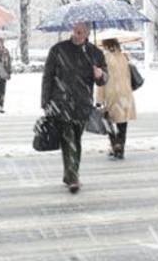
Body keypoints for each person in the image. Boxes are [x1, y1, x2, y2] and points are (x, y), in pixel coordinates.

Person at [41, 22, 108, 193]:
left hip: (82, 103)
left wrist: (100, 75)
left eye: (82, 32)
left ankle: (71, 173)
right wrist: (45, 101)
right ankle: (73, 177)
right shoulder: (58, 50)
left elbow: (104, 79)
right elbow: (48, 76)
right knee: (68, 138)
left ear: (87, 33)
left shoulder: (95, 53)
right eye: (76, 31)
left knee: (76, 140)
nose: (78, 34)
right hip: (61, 102)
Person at [96, 38, 136, 160]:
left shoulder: (105, 59)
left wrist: (99, 100)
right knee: (122, 124)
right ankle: (120, 148)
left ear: (107, 46)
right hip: (126, 94)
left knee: (108, 122)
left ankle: (115, 145)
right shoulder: (124, 57)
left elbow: (101, 82)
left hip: (111, 94)